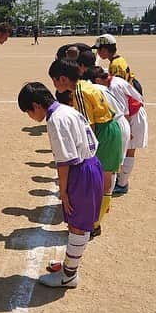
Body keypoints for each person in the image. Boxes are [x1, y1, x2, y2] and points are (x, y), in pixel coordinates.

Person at [18, 82, 103, 288]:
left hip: (80, 171)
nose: (30, 116)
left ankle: (69, 276)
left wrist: (63, 191)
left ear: (36, 105)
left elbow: (64, 161)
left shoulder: (55, 120)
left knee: (77, 226)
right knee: (77, 223)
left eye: (28, 111)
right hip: (92, 164)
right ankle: (68, 266)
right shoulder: (67, 109)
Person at [49, 59, 122, 238]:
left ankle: (93, 223)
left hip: (104, 131)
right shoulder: (84, 85)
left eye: (54, 80)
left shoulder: (79, 92)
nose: (54, 84)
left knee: (99, 180)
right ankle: (96, 220)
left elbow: (89, 126)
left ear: (63, 79)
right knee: (105, 179)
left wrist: (87, 153)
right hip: (111, 128)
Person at [86, 67, 148, 195]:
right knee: (124, 152)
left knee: (129, 151)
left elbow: (123, 110)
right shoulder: (114, 81)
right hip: (133, 114)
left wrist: (127, 129)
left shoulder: (114, 86)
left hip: (133, 116)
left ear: (98, 80)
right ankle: (121, 181)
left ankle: (122, 184)